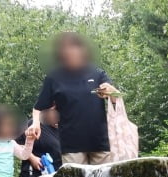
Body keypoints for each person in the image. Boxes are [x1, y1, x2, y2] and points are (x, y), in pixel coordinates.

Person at [30, 32, 117, 165]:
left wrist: (112, 92)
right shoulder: (54, 78)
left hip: (100, 142)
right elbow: (38, 107)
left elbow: (116, 99)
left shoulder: (97, 73)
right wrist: (36, 123)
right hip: (71, 146)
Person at [15, 106, 61, 177]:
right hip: (34, 176)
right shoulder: (35, 124)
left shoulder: (65, 129)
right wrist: (32, 158)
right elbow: (15, 144)